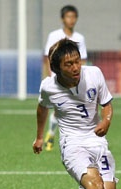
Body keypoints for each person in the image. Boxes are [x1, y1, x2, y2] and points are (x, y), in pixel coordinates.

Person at [32, 38, 121, 189]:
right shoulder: (48, 86)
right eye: (68, 64)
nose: (75, 67)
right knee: (94, 186)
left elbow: (106, 103)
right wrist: (39, 137)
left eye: (77, 61)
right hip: (72, 144)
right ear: (57, 69)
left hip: (97, 141)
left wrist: (106, 121)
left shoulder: (94, 74)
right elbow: (42, 109)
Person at [43, 5, 88, 151]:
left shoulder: (79, 38)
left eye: (74, 17)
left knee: (72, 109)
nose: (71, 20)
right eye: (68, 16)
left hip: (74, 80)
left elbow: (83, 61)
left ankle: (69, 138)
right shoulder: (54, 36)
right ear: (63, 19)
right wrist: (47, 77)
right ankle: (51, 134)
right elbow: (47, 58)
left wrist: (82, 79)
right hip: (57, 79)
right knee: (58, 109)